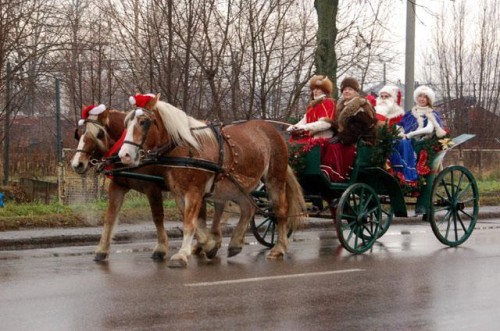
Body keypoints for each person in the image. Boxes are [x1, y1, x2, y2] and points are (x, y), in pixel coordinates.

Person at [321, 77, 377, 182]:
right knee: (324, 144)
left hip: (359, 141)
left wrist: (341, 137)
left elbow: (360, 127)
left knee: (334, 148)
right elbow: (339, 126)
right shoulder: (340, 106)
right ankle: (322, 172)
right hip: (346, 138)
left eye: (350, 89)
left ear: (356, 91)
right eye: (344, 89)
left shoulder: (362, 105)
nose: (347, 91)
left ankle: (333, 175)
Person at [390, 85, 447, 182]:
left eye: (425, 97)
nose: (422, 99)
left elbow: (429, 129)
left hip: (421, 143)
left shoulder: (431, 114)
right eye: (420, 96)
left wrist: (410, 134)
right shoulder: (410, 113)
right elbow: (400, 125)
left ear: (429, 99)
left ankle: (408, 173)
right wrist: (400, 132)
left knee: (403, 143)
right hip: (407, 140)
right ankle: (395, 170)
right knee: (393, 142)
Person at [287, 75, 335, 142]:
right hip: (310, 138)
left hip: (322, 139)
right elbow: (304, 120)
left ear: (324, 90)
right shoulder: (312, 106)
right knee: (292, 141)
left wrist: (305, 127)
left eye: (318, 89)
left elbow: (326, 124)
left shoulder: (327, 102)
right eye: (314, 89)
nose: (315, 91)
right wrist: (294, 127)